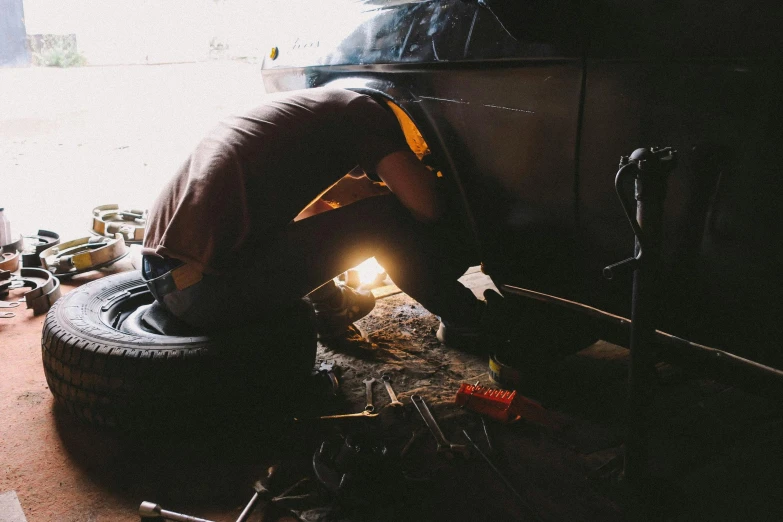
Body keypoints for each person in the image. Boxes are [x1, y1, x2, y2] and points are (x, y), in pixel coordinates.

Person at [141, 87, 494, 347]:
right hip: (210, 293)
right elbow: (427, 207)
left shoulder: (306, 114)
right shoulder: (365, 112)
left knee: (310, 225)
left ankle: (332, 312)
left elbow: (311, 217)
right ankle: (466, 321)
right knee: (384, 220)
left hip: (165, 279)